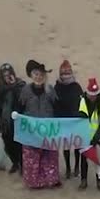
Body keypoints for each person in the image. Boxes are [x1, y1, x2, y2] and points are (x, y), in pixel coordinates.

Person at [18, 60, 61, 189]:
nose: (38, 77)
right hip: (31, 129)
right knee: (32, 157)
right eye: (36, 74)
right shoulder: (25, 90)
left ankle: (51, 179)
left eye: (41, 74)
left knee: (50, 156)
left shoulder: (50, 90)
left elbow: (57, 107)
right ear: (31, 75)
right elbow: (20, 107)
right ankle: (34, 182)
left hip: (48, 128)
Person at [78, 78, 100, 193]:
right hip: (83, 136)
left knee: (98, 160)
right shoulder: (82, 101)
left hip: (96, 137)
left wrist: (96, 137)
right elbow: (78, 118)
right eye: (91, 95)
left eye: (95, 95)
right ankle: (84, 180)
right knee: (83, 159)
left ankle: (99, 181)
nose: (93, 97)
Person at [54, 59, 83, 179]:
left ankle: (77, 166)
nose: (66, 75)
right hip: (63, 121)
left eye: (68, 73)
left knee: (77, 146)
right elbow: (54, 103)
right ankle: (68, 168)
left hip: (75, 120)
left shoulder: (76, 87)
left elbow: (82, 103)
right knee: (65, 147)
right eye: (63, 73)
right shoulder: (57, 87)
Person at [0, 63, 26, 174]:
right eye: (5, 75)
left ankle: (23, 166)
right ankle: (15, 163)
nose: (7, 76)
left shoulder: (20, 84)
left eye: (9, 74)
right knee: (8, 145)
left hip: (17, 121)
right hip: (5, 121)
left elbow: (23, 99)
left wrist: (13, 85)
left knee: (19, 145)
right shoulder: (0, 86)